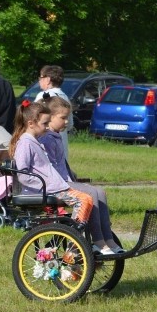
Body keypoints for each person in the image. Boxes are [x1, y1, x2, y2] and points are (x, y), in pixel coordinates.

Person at [9, 100, 99, 246]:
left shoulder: (33, 141)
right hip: (45, 190)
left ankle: (73, 236)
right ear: (31, 123)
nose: (46, 127)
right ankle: (74, 242)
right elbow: (23, 175)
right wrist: (45, 185)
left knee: (86, 199)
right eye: (44, 124)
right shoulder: (25, 143)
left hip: (53, 187)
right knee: (83, 200)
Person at [40, 96, 122, 253]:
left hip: (64, 180)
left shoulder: (55, 136)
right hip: (56, 184)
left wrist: (71, 173)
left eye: (67, 117)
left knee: (100, 192)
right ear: (49, 117)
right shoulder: (46, 138)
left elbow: (60, 162)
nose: (66, 122)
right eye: (62, 118)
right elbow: (48, 166)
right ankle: (98, 241)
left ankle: (108, 239)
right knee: (91, 193)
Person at [34, 65, 72, 154]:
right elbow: (69, 125)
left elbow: (34, 117)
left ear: (47, 79)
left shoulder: (43, 96)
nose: (39, 80)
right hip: (61, 144)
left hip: (46, 144)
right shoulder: (65, 96)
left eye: (41, 77)